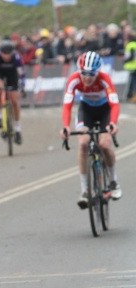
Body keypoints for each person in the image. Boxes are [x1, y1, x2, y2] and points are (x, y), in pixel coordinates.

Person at [60, 51, 122, 208]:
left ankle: (113, 182)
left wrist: (113, 123)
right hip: (86, 110)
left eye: (91, 74)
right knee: (83, 143)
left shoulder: (104, 79)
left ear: (98, 71)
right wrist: (66, 126)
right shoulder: (74, 79)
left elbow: (114, 104)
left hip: (104, 111)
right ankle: (85, 191)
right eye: (84, 73)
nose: (87, 77)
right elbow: (67, 106)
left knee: (105, 144)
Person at [0, 40, 26, 145]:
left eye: (9, 54)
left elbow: (21, 74)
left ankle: (17, 128)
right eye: (5, 54)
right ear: (1, 52)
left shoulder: (16, 58)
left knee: (14, 101)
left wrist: (22, 87)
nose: (7, 57)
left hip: (12, 76)